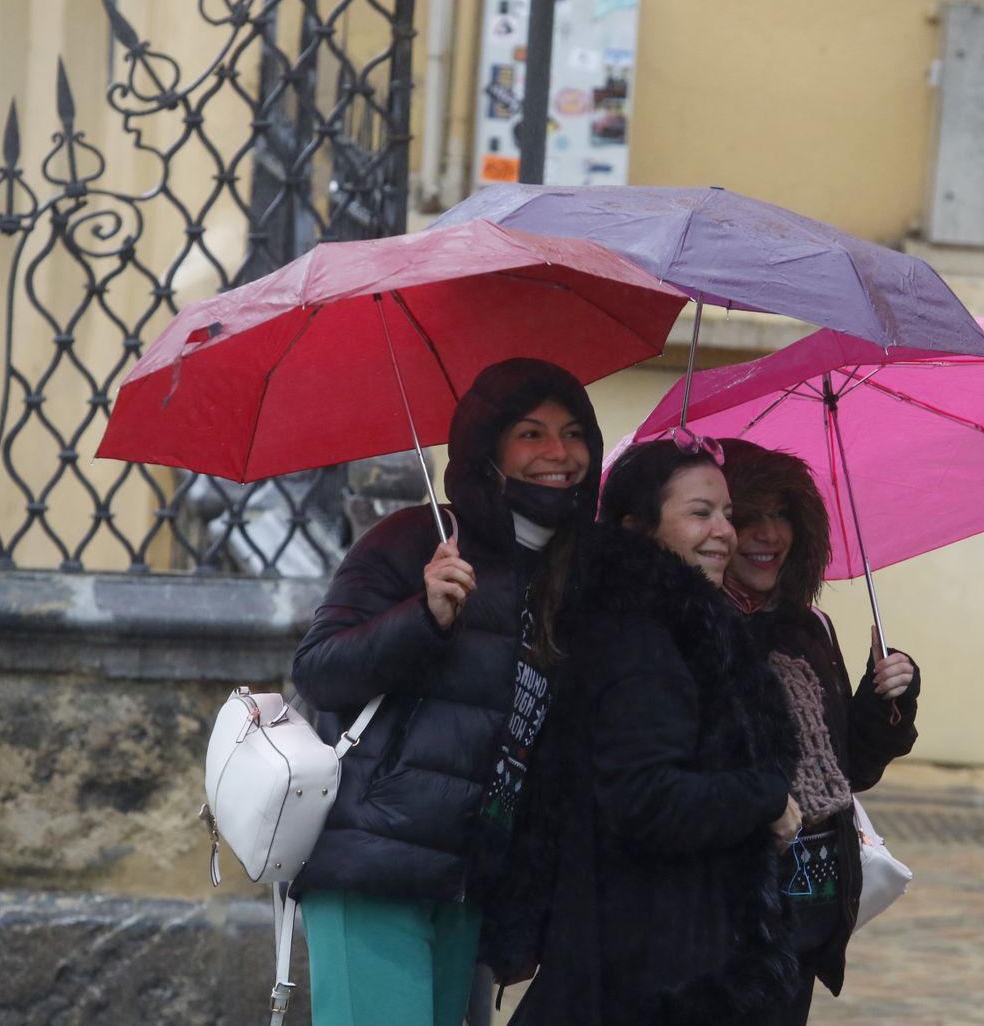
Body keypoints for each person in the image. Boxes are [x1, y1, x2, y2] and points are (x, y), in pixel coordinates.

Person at [290, 357, 605, 1026]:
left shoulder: (572, 573)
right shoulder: (414, 542)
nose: (558, 453)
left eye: (574, 433)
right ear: (486, 448)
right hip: (376, 865)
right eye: (530, 433)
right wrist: (423, 618)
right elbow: (319, 670)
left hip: (470, 878)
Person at [483, 438, 803, 1026]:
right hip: (652, 971)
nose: (725, 532)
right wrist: (763, 797)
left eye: (727, 514)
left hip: (649, 956)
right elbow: (647, 798)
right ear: (639, 528)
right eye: (700, 513)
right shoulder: (644, 642)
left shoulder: (673, 627)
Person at [718, 438, 920, 1026]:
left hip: (810, 903)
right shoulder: (694, 624)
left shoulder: (811, 627)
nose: (767, 535)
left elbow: (850, 768)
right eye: (748, 517)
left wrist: (889, 698)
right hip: (729, 908)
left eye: (781, 515)